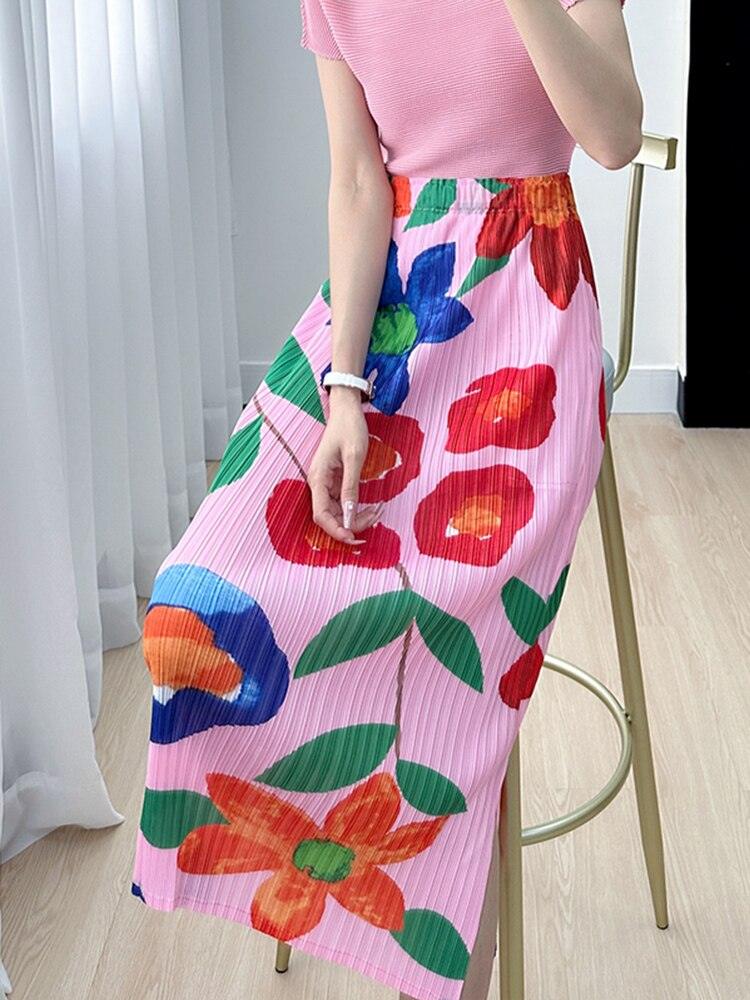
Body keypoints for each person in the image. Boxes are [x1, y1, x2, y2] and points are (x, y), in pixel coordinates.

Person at [131, 3, 642, 999]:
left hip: (527, 318)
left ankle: (435, 949)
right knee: (192, 598)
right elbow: (360, 184)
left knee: (440, 628)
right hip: (386, 320)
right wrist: (344, 393)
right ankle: (320, 859)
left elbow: (615, 136)